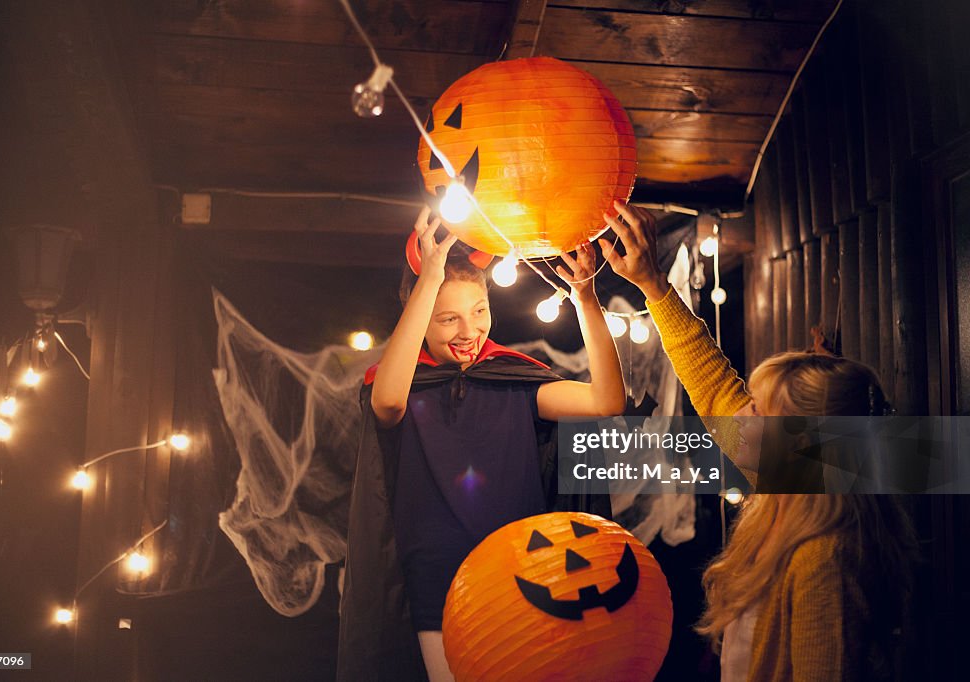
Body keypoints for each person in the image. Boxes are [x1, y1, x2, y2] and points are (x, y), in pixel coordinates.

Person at [599, 201, 918, 681]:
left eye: (759, 410)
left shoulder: (826, 560)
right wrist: (652, 284)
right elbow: (712, 386)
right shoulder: (788, 481)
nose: (742, 412)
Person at [337, 208, 627, 682]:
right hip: (437, 584)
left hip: (521, 578)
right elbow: (388, 402)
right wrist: (427, 279)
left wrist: (586, 300)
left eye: (479, 312)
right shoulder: (402, 386)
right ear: (418, 316)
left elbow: (606, 401)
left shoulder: (514, 381)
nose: (469, 332)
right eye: (447, 319)